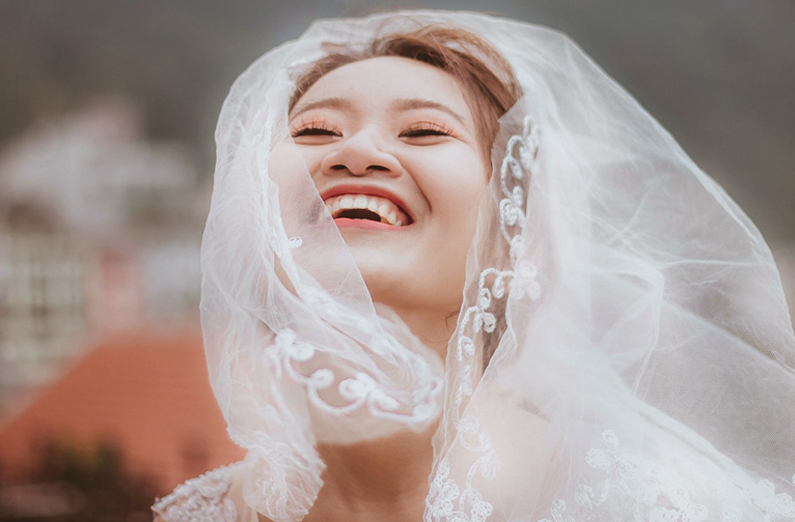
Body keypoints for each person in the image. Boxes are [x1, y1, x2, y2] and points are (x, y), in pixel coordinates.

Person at [153, 10, 795, 522]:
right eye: (316, 131)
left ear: (512, 242)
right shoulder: (198, 515)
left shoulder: (667, 506)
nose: (358, 150)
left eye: (424, 132)